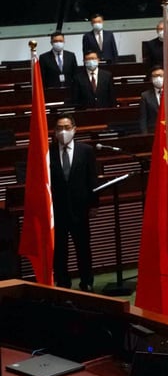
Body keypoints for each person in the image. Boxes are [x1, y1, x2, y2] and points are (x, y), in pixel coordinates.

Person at [50, 114, 97, 291]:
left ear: (74, 129)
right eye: (60, 128)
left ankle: (87, 282)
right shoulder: (49, 152)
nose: (63, 131)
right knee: (60, 252)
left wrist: (94, 205)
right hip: (58, 211)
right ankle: (63, 284)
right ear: (54, 132)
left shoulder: (85, 150)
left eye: (67, 127)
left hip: (80, 209)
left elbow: (92, 179)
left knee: (83, 249)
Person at [138, 66, 164, 133]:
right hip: (153, 132)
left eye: (160, 75)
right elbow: (143, 119)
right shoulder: (145, 96)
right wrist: (145, 136)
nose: (158, 78)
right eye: (155, 76)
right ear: (151, 79)